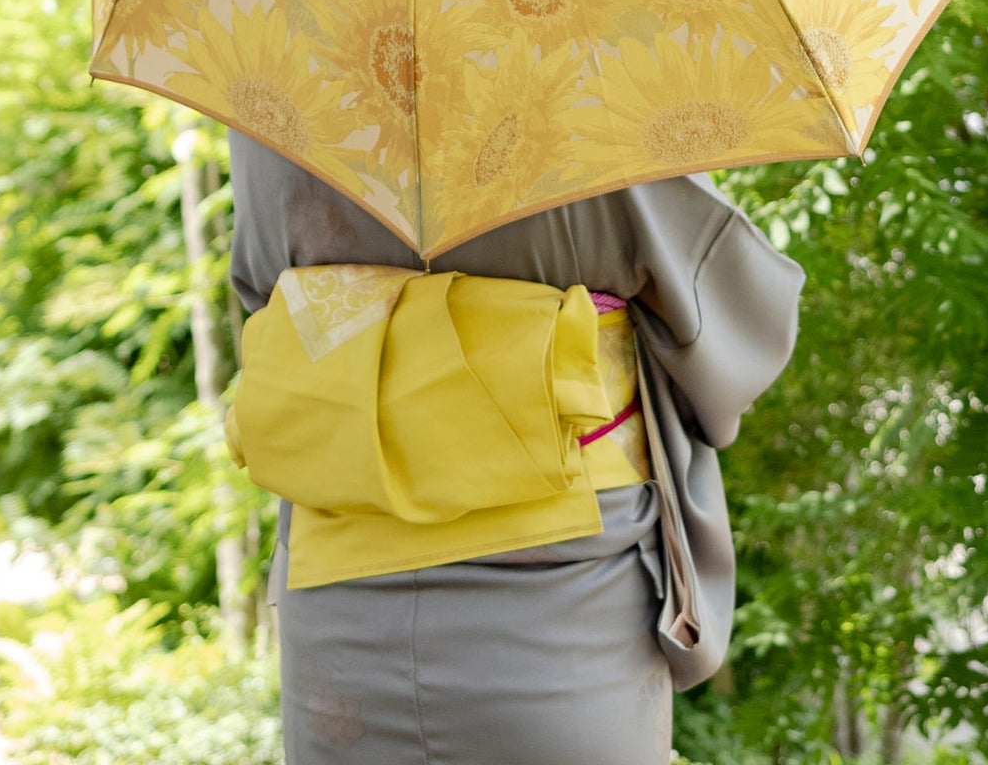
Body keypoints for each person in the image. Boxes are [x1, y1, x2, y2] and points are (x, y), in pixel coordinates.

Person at [226, 128, 806, 765]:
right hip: (559, 581)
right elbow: (721, 295)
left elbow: (264, 289)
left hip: (338, 597)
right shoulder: (566, 64)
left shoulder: (284, 80)